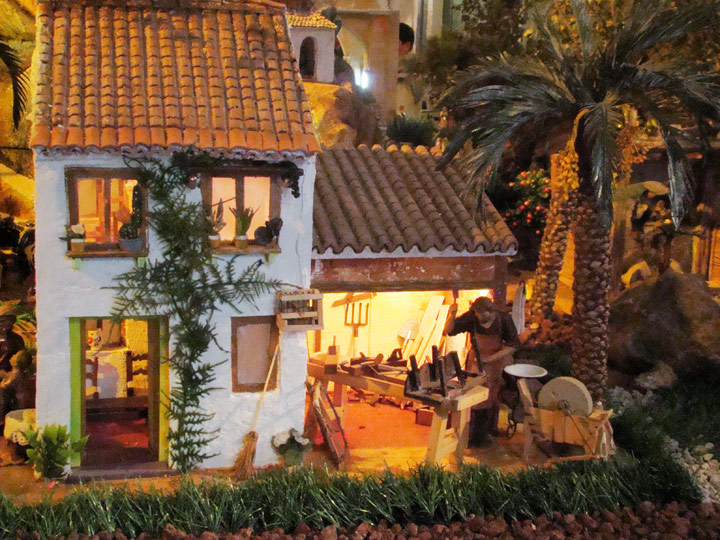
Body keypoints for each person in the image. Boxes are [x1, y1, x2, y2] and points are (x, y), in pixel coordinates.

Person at [445, 296, 520, 445]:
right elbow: (450, 330)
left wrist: (491, 359)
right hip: (476, 361)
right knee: (474, 396)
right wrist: (452, 314)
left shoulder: (503, 319)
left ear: (491, 311)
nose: (479, 317)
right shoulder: (472, 317)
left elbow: (513, 345)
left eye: (483, 315)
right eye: (477, 314)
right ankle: (472, 435)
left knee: (492, 396)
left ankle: (489, 430)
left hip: (496, 362)